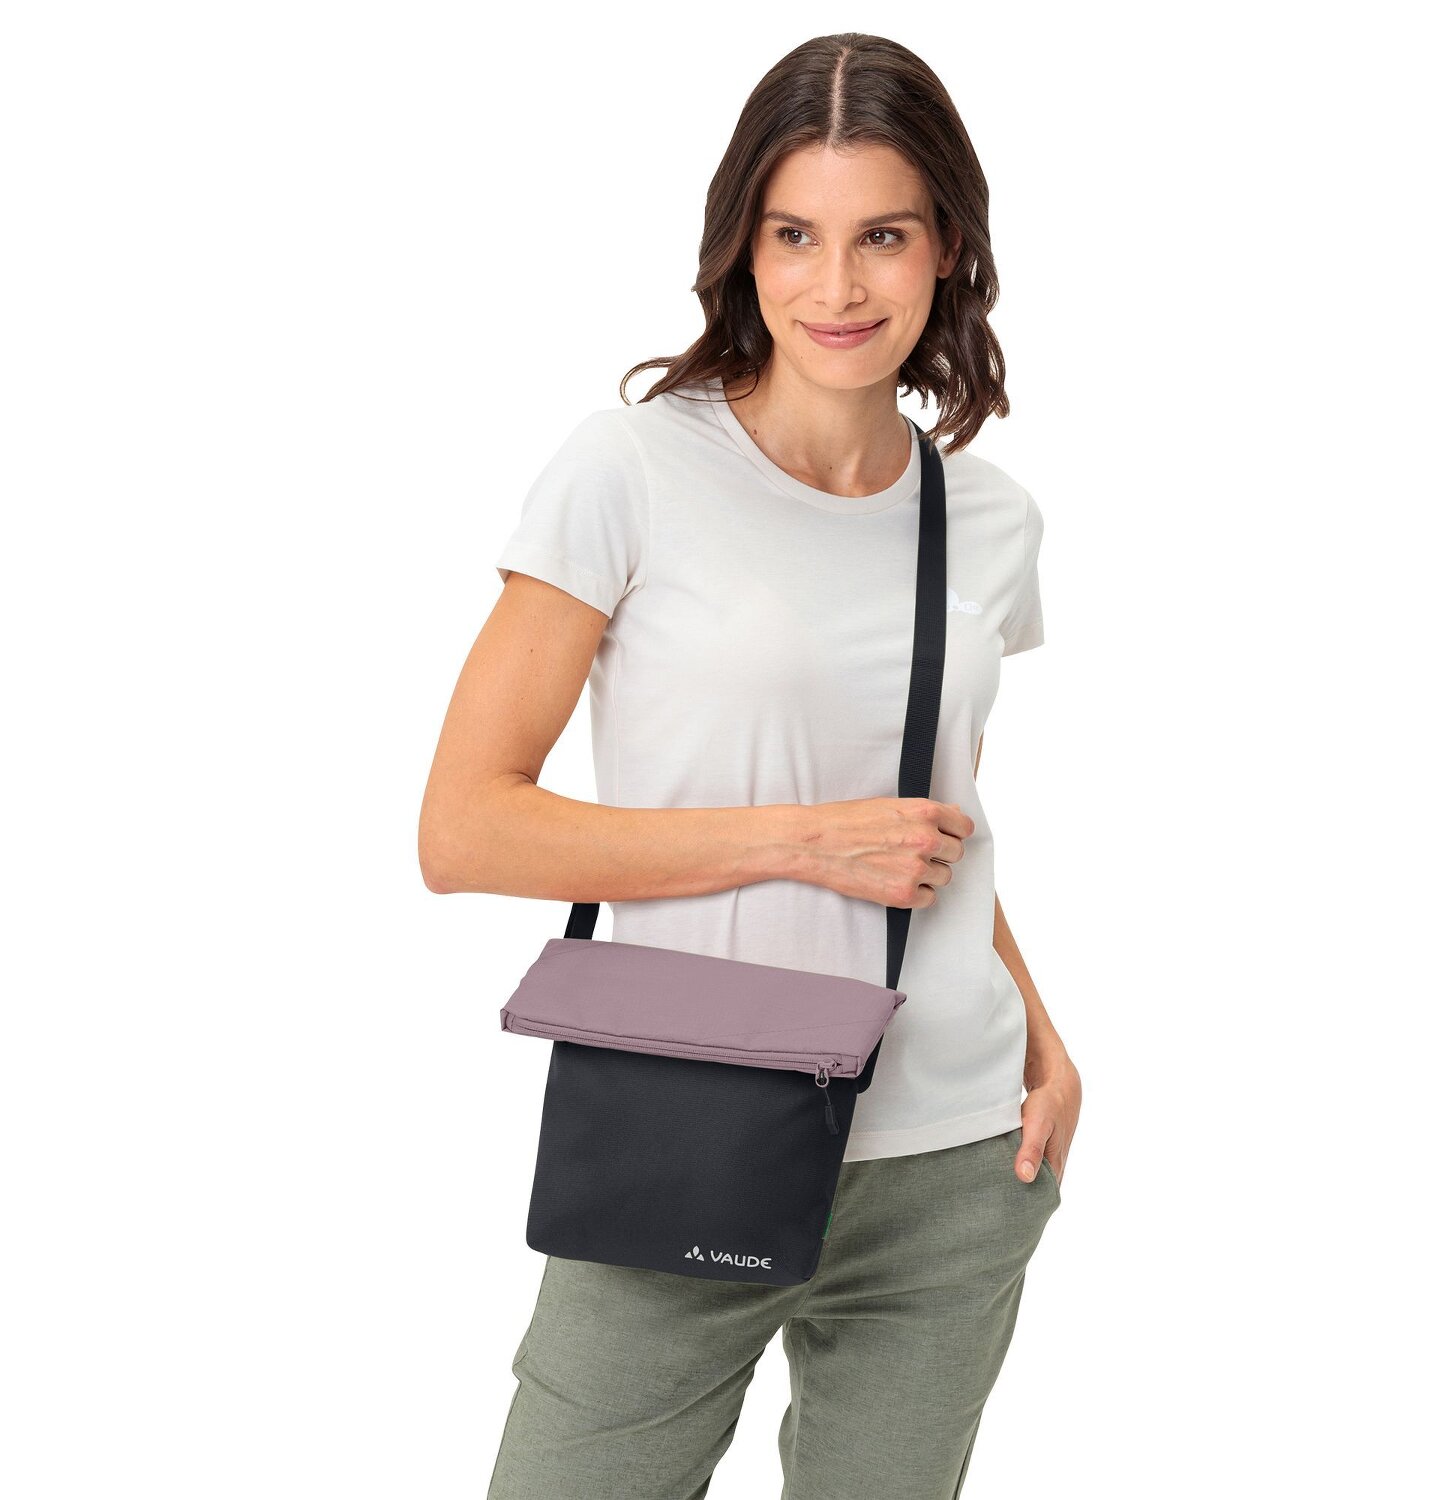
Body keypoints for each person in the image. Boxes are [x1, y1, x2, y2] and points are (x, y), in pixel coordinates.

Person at [419, 30, 1083, 1500]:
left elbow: (936, 823)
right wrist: (798, 841)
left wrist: (1041, 1034)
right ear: (742, 245)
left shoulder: (989, 520)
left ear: (948, 248)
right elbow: (463, 830)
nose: (837, 286)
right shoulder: (629, 469)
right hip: (691, 1116)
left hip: (956, 1157)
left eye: (882, 236)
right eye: (795, 234)